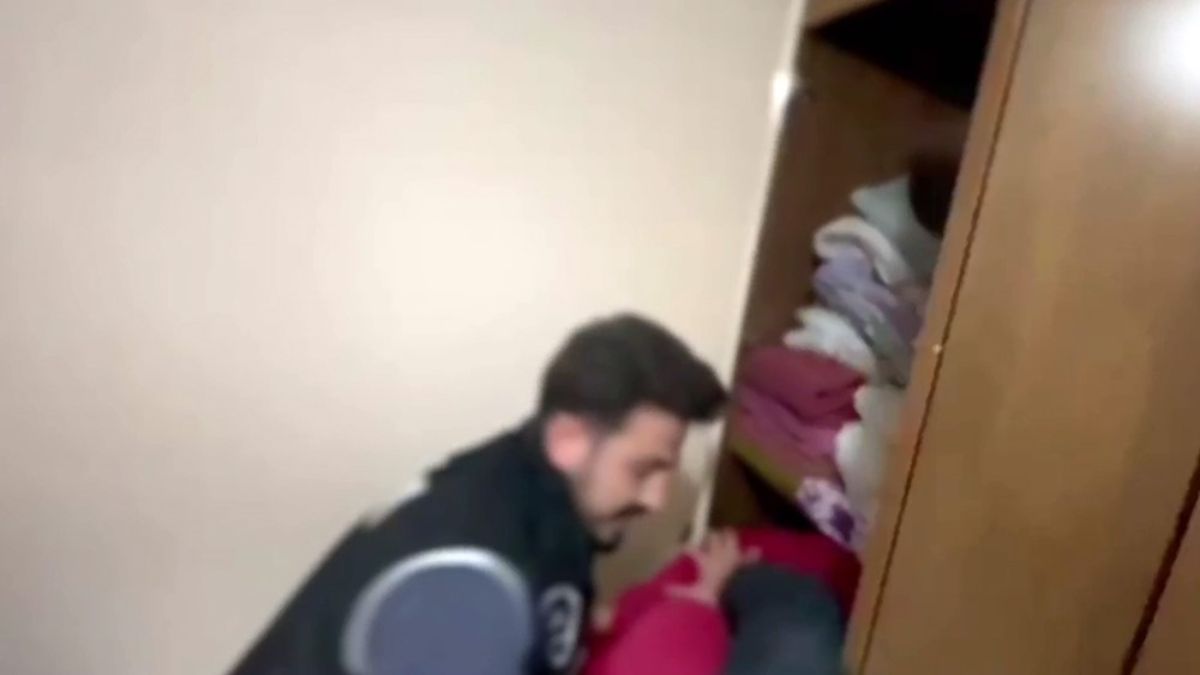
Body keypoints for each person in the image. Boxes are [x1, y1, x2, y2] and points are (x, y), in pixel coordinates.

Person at [228, 314, 727, 675]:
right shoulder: (472, 578)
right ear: (569, 440)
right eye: (643, 470)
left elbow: (549, 610)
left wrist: (678, 611)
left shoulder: (532, 494)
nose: (657, 500)